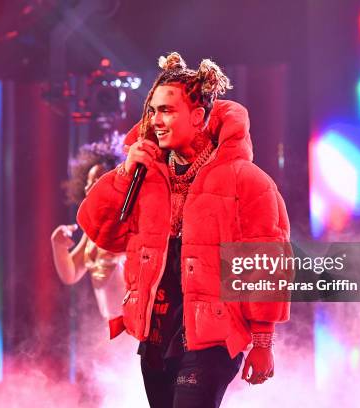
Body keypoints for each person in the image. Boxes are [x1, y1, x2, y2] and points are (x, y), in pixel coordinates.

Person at [77, 52, 291, 407]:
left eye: (167, 110)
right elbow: (104, 234)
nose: (156, 120)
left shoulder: (246, 180)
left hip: (213, 339)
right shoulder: (144, 176)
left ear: (197, 116)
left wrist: (263, 342)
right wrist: (122, 175)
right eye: (153, 110)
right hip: (157, 337)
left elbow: (265, 263)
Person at [51, 138, 126, 320]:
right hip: (112, 328)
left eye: (97, 181)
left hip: (135, 332)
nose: (89, 187)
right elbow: (71, 274)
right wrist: (58, 246)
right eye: (88, 182)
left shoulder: (131, 225)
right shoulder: (91, 232)